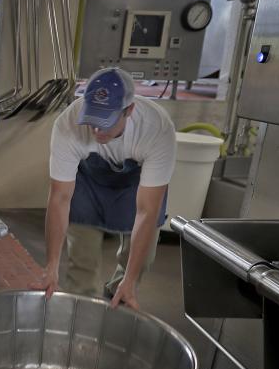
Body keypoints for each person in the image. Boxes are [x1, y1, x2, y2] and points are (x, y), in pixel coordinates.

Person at [39, 67, 176, 310]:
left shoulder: (156, 129)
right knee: (82, 259)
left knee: (141, 262)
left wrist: (131, 279)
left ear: (129, 110)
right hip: (88, 182)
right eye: (92, 120)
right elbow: (59, 198)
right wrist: (50, 267)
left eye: (106, 122)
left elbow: (147, 211)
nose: (97, 130)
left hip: (136, 183)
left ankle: (118, 293)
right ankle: (79, 324)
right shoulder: (68, 124)